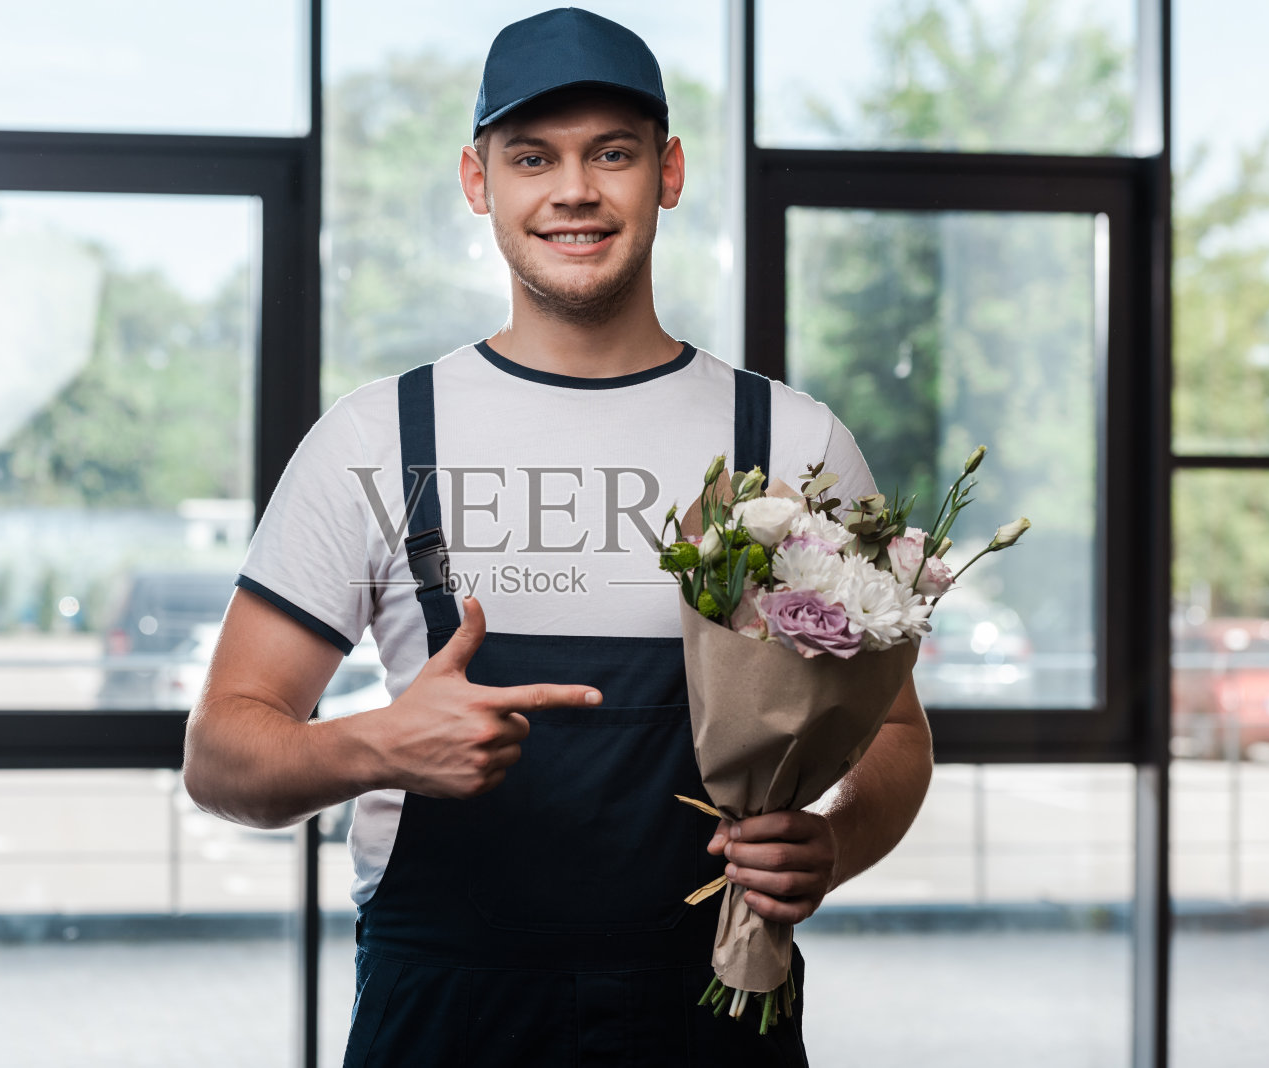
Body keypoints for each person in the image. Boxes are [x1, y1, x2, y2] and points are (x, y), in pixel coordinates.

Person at [183, 8, 932, 1065]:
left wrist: (833, 841)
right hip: (446, 1010)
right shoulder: (377, 436)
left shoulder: (791, 442)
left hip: (709, 1008)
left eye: (611, 153)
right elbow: (219, 755)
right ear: (477, 180)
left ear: (669, 172)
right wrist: (375, 744)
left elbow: (895, 731)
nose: (573, 190)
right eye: (532, 157)